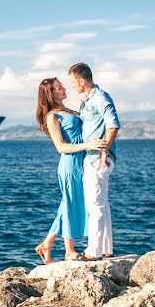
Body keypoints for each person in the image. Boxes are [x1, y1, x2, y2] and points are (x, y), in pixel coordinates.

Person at [33, 77, 106, 264]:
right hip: (69, 164)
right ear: (51, 94)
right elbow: (61, 147)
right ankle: (69, 250)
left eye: (62, 85)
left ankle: (47, 245)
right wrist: (88, 145)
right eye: (58, 88)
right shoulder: (52, 116)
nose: (63, 88)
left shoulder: (71, 111)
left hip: (82, 162)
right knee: (69, 203)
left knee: (67, 204)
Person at [68, 63, 120, 260]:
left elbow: (113, 124)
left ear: (82, 80)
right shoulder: (89, 99)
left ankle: (93, 252)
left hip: (96, 158)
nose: (72, 86)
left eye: (73, 82)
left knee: (95, 204)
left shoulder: (99, 97)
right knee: (102, 203)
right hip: (92, 157)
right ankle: (106, 249)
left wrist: (105, 151)